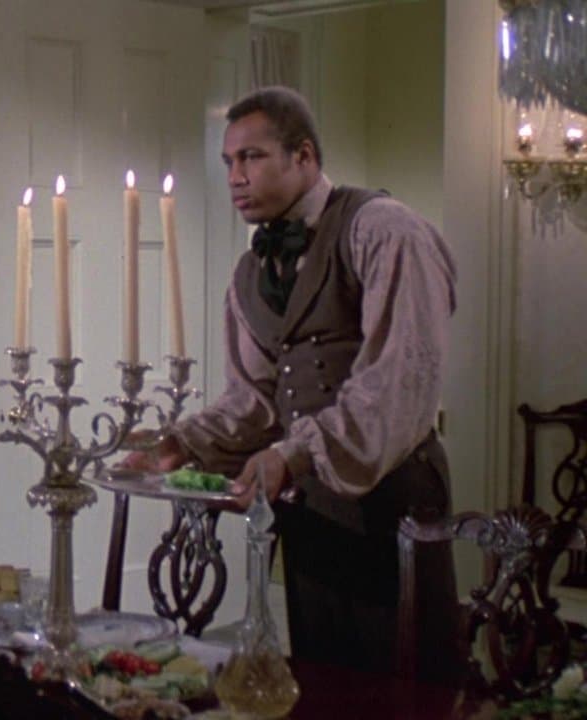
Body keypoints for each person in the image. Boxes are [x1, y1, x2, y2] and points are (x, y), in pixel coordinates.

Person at [123, 86, 459, 677]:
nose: (235, 177)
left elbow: (399, 380)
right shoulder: (250, 273)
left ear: (303, 156)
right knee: (321, 675)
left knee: (405, 683)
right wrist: (181, 443)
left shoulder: (383, 230)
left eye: (251, 157)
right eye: (228, 161)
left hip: (392, 503)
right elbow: (253, 401)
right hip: (310, 510)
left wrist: (294, 453)